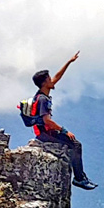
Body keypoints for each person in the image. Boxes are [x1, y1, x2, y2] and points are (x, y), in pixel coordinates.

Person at [29, 53, 97, 190]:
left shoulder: (42, 94)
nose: (52, 80)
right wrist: (64, 131)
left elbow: (57, 77)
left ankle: (81, 176)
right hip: (44, 134)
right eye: (49, 79)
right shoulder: (42, 99)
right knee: (75, 145)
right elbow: (47, 121)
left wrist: (69, 62)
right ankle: (79, 179)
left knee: (74, 143)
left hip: (46, 132)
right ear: (44, 83)